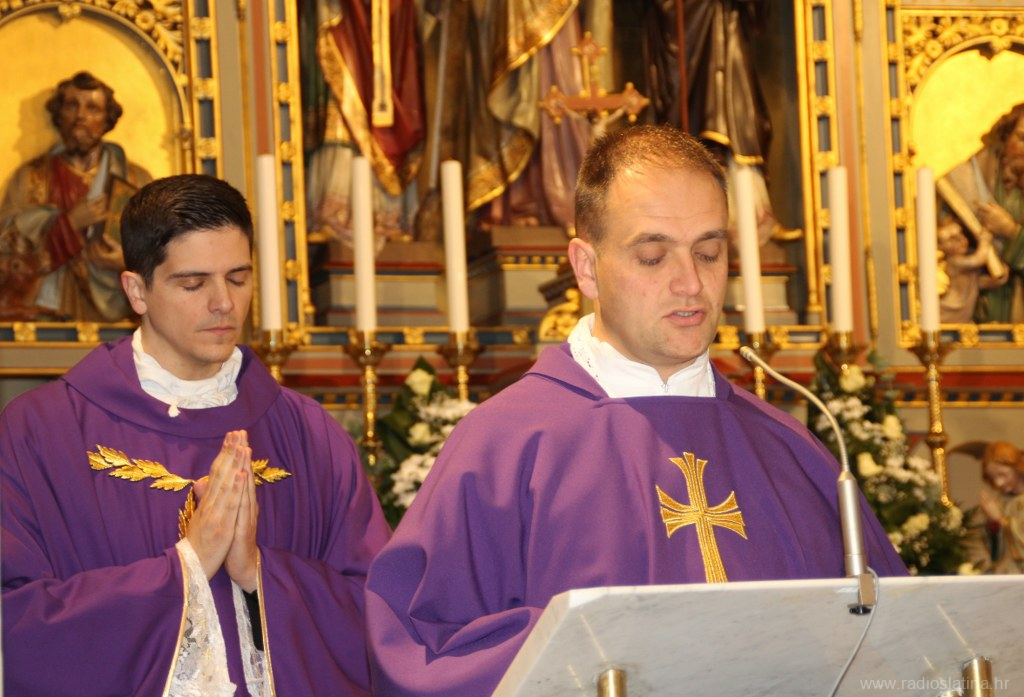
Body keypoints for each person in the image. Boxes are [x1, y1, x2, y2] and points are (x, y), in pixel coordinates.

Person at [364, 125, 907, 695]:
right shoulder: (505, 445)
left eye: (709, 252)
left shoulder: (787, 448)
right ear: (587, 268)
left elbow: (898, 650)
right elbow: (420, 656)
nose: (691, 283)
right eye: (652, 256)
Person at [1, 174, 391, 696]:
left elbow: (379, 618)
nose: (223, 303)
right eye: (193, 284)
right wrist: (186, 568)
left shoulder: (312, 436)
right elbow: (16, 623)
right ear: (136, 291)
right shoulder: (39, 433)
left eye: (238, 278)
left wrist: (259, 576)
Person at [0, 71, 152, 321]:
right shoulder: (30, 178)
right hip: (45, 312)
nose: (81, 116)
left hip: (118, 316)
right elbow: (6, 249)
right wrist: (69, 223)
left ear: (107, 119)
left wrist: (124, 261)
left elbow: (162, 250)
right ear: (59, 115)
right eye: (72, 105)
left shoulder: (135, 180)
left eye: (92, 108)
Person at [939, 101, 1024, 322]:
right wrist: (950, 237)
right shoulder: (971, 178)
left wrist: (1011, 230)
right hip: (978, 307)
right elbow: (941, 236)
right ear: (1005, 137)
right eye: (1022, 139)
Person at [937, 214, 1008, 324]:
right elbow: (978, 259)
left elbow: (975, 284)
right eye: (951, 239)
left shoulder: (967, 258)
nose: (960, 240)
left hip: (964, 309)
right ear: (940, 247)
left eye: (960, 234)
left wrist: (995, 281)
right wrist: (984, 241)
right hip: (951, 309)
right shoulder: (954, 262)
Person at [978, 441, 1024, 574]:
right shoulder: (1001, 502)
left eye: (1002, 475)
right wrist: (992, 524)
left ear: (1018, 468)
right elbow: (996, 550)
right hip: (1008, 572)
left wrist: (1000, 520)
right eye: (993, 478)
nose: (998, 483)